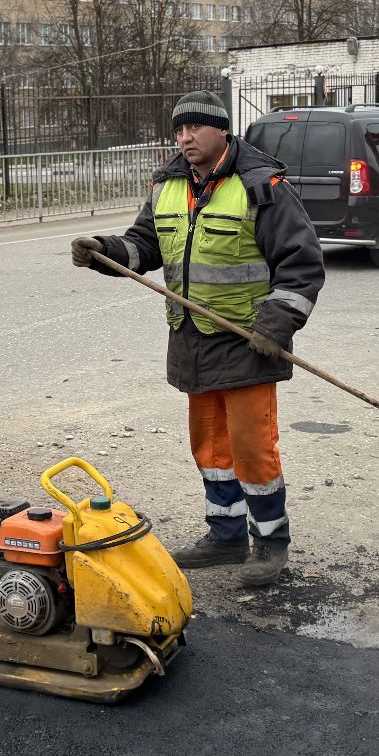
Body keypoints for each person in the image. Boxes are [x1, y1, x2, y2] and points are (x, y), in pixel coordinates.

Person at [70, 91, 324, 586]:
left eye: (195, 129)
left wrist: (275, 327)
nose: (184, 138)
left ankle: (270, 543)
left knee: (253, 448)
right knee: (210, 448)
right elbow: (143, 245)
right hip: (193, 341)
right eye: (178, 130)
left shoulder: (261, 187)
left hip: (247, 341)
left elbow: (302, 265)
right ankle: (225, 537)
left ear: (221, 131)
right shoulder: (167, 186)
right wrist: (104, 251)